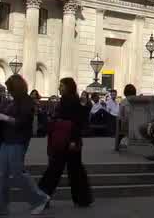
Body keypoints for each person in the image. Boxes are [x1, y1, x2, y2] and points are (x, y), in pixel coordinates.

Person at [0, 74, 49, 216]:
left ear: (17, 88)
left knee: (18, 173)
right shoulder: (11, 102)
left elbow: (23, 122)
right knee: (1, 174)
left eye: (10, 89)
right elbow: (4, 115)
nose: (9, 91)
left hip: (18, 140)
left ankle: (40, 199)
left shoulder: (27, 102)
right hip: (6, 140)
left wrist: (5, 118)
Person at [38, 76, 94, 208]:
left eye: (62, 85)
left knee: (56, 169)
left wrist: (73, 140)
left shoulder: (72, 101)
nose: (59, 88)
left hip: (68, 140)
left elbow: (77, 122)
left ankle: (41, 197)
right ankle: (82, 198)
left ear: (68, 87)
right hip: (66, 140)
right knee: (73, 170)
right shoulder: (67, 100)